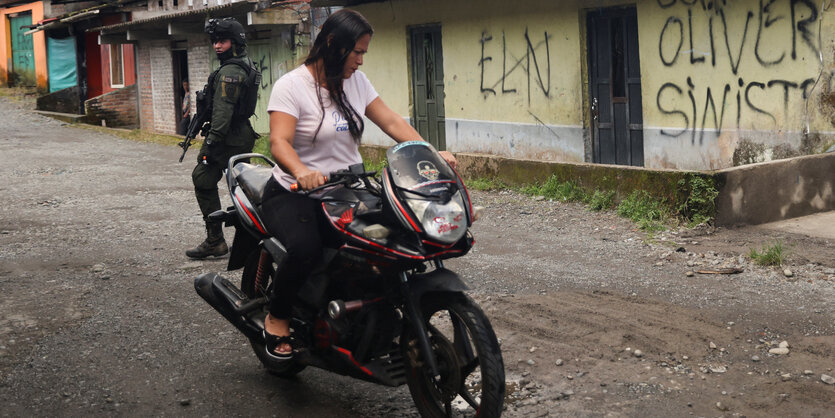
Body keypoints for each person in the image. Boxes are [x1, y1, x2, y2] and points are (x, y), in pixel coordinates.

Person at [260, 9, 457, 359]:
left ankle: (374, 316)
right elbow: (279, 143)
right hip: (295, 191)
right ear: (333, 44)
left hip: (345, 189)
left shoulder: (356, 83)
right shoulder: (291, 86)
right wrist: (302, 170)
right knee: (304, 249)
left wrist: (429, 156)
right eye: (358, 52)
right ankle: (277, 317)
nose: (361, 61)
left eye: (364, 53)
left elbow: (392, 122)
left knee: (386, 243)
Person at [186, 18, 259, 259]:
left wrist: (211, 141)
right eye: (215, 41)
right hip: (239, 135)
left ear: (235, 42)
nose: (217, 46)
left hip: (228, 137)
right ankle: (258, 237)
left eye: (223, 41)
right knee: (244, 186)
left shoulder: (230, 71)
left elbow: (223, 111)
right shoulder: (241, 64)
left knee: (203, 177)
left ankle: (215, 240)